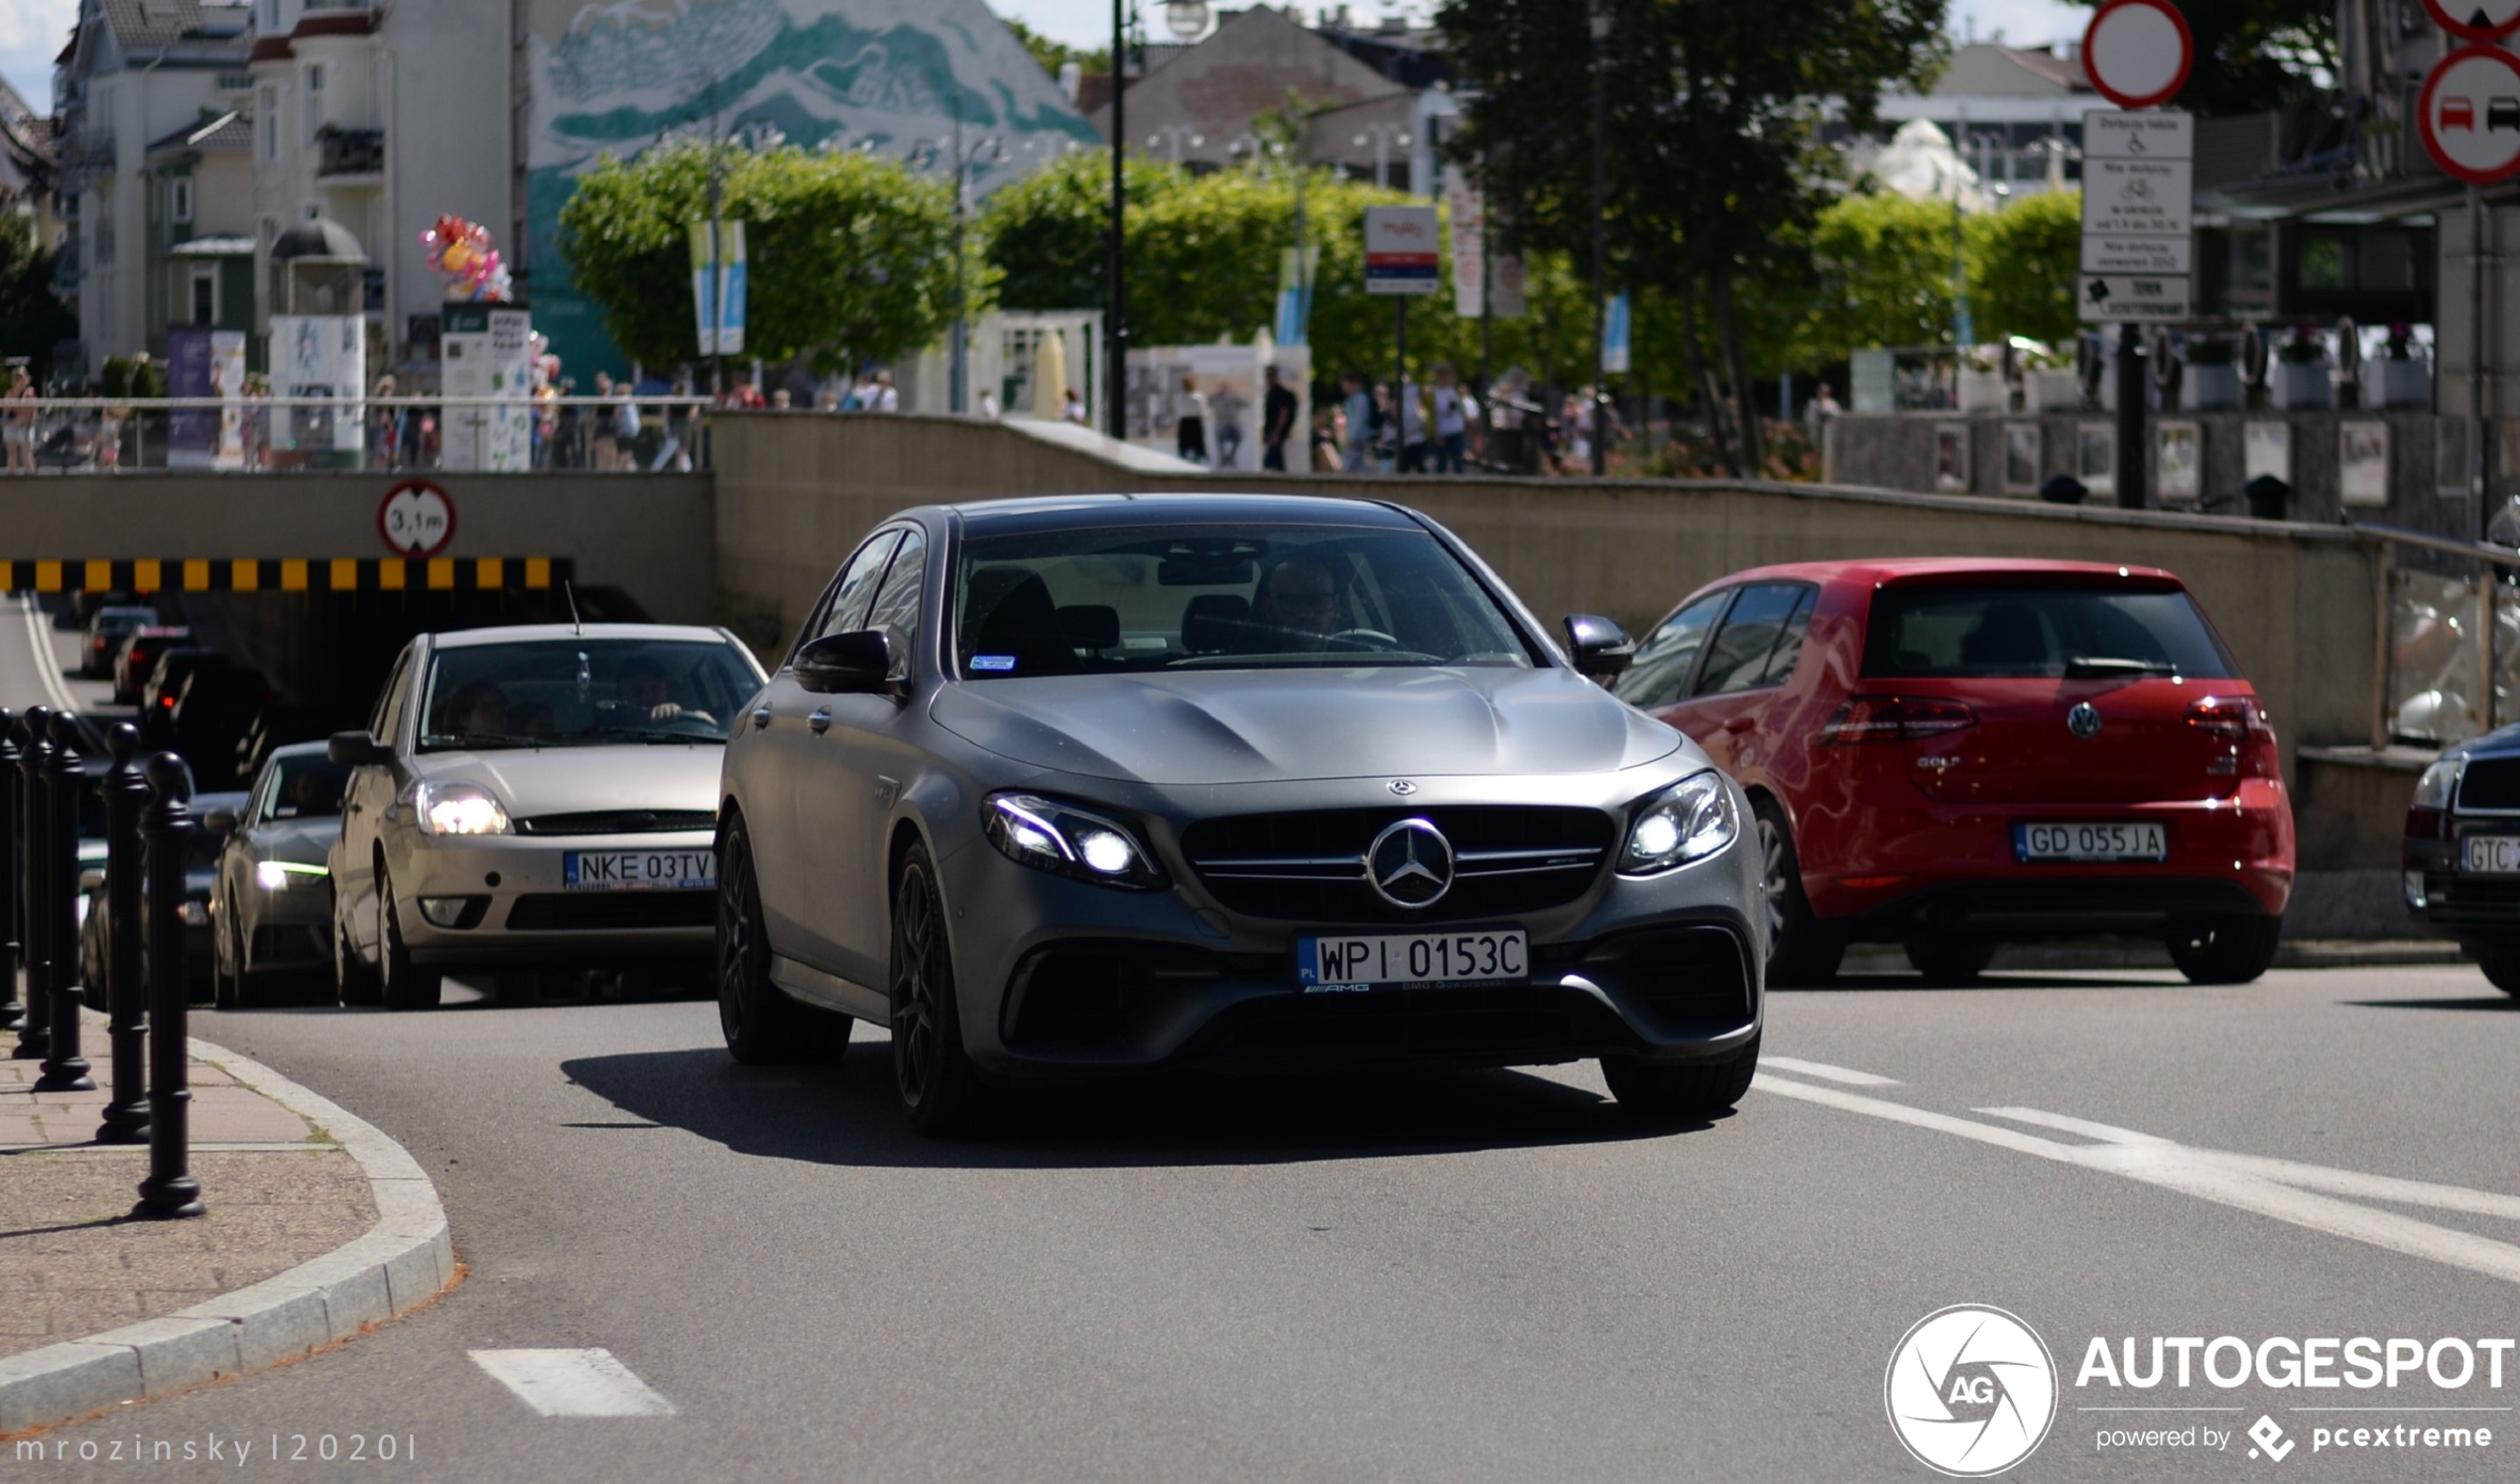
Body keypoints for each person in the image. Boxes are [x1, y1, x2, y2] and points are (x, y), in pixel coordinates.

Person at [1251, 554, 1344, 647]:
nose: (1307, 614)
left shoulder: (1357, 657)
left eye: (1319, 601)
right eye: (1293, 602)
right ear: (1269, 609)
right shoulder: (1242, 658)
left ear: (1337, 607)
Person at [616, 656, 715, 725]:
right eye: (637, 692)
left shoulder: (685, 724)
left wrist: (696, 719)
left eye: (656, 691)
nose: (647, 697)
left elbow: (719, 738)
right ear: (621, 695)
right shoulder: (604, 730)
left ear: (666, 691)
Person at [442, 680, 509, 745]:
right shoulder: (450, 753)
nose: (498, 712)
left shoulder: (516, 750)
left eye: (500, 706)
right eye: (486, 708)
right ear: (464, 718)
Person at [1431, 364, 1468, 474]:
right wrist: (1435, 432)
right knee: (1441, 461)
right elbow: (1432, 414)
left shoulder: (1455, 391)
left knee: (1458, 459)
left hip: (1457, 429)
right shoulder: (1434, 393)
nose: (1446, 378)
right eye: (1443, 375)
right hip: (1442, 430)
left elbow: (1461, 409)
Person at [1261, 364, 1299, 471]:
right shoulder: (1272, 392)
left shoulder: (1279, 393)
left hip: (1276, 433)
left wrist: (1277, 432)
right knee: (1275, 462)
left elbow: (1283, 414)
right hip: (1273, 432)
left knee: (1272, 462)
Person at [4, 365, 36, 474]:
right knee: (11, 453)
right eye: (15, 378)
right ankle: (12, 474)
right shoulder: (9, 394)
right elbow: (6, 411)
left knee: (26, 454)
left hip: (25, 425)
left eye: (20, 378)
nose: (17, 381)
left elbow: (32, 410)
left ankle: (31, 477)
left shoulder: (29, 392)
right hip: (13, 425)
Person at [1339, 372, 1373, 473]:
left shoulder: (1360, 399)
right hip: (1354, 437)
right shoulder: (1350, 399)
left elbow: (1359, 419)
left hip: (1358, 438)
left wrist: (1354, 437)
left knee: (1352, 466)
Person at [1210, 379, 1248, 469]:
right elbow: (1209, 402)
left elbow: (1246, 403)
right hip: (1222, 425)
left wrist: (1235, 394)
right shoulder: (1216, 397)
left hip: (1233, 424)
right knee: (1219, 439)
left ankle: (1230, 456)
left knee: (1240, 436)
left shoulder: (1234, 397)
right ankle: (1224, 458)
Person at [1396, 376, 1429, 473]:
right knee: (1413, 466)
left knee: (1412, 466)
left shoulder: (1411, 408)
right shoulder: (1409, 408)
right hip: (1411, 440)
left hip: (1414, 440)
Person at [1175, 374, 1208, 465]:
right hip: (1195, 422)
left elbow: (1178, 412)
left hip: (1185, 422)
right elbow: (1202, 412)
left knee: (1184, 446)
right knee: (1197, 445)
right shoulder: (1198, 397)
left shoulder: (1179, 398)